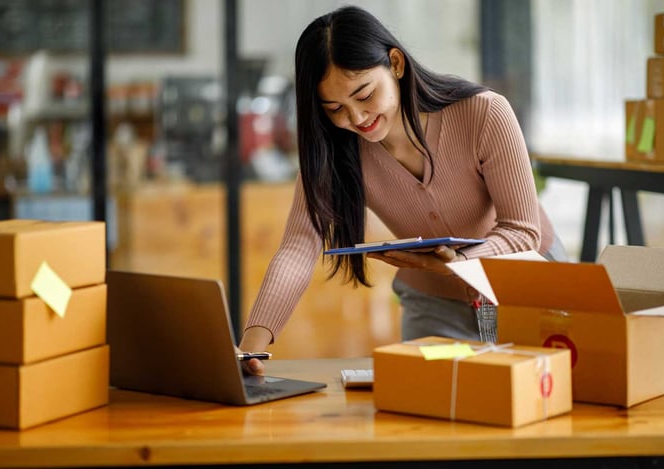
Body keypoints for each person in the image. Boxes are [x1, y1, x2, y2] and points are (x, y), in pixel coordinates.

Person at [239, 5, 567, 374]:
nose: (356, 118)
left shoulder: (483, 113)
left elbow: (522, 230)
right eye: (334, 108)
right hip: (436, 305)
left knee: (539, 403)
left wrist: (462, 263)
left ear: (395, 64)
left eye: (363, 95)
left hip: (531, 290)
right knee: (429, 405)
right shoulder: (335, 150)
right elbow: (299, 246)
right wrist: (253, 346)